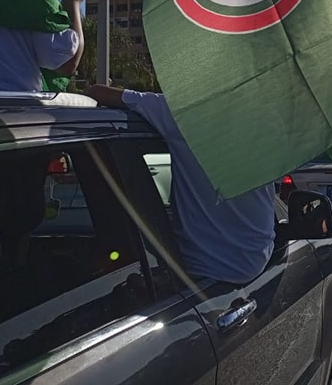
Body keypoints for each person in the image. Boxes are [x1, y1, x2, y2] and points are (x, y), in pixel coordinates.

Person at [85, 85, 276, 285]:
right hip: (255, 263)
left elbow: (97, 93)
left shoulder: (183, 113)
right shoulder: (266, 124)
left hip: (200, 269)